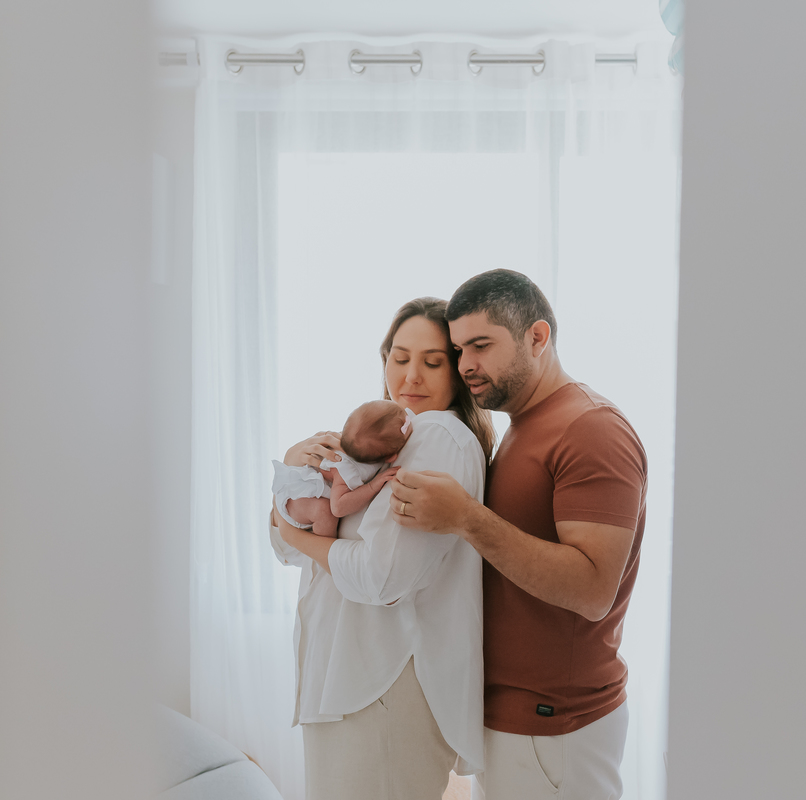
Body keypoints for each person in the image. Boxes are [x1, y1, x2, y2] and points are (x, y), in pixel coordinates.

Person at [389, 270, 647, 800]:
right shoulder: (524, 423)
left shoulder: (591, 429)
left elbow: (593, 589)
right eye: (459, 349)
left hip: (555, 724)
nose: (466, 366)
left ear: (538, 337)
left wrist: (466, 517)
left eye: (481, 346)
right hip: (519, 721)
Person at [269, 297, 496, 800]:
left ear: (457, 373)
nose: (411, 376)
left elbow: (378, 577)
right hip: (346, 681)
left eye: (432, 362)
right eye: (399, 357)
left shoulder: (439, 435)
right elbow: (287, 551)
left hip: (381, 685)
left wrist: (298, 534)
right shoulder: (378, 441)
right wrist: (292, 472)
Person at [271, 400, 412, 538]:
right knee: (324, 512)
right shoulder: (346, 469)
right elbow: (338, 507)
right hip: (296, 498)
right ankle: (323, 549)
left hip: (293, 488)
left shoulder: (357, 442)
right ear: (391, 458)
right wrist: (372, 486)